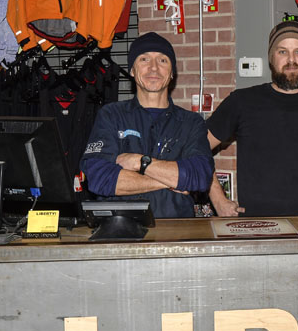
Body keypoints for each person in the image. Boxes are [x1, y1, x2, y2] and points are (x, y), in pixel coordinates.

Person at [207, 21, 298, 216]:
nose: (291, 60)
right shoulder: (241, 102)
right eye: (283, 52)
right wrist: (218, 200)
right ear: (271, 58)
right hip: (256, 230)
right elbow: (196, 146)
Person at [80, 32, 215, 218]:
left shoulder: (192, 123)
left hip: (176, 236)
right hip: (121, 232)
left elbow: (199, 176)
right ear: (132, 70)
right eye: (144, 59)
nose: (153, 68)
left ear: (172, 72)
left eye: (162, 60)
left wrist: (139, 162)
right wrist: (173, 180)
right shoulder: (111, 115)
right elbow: (99, 178)